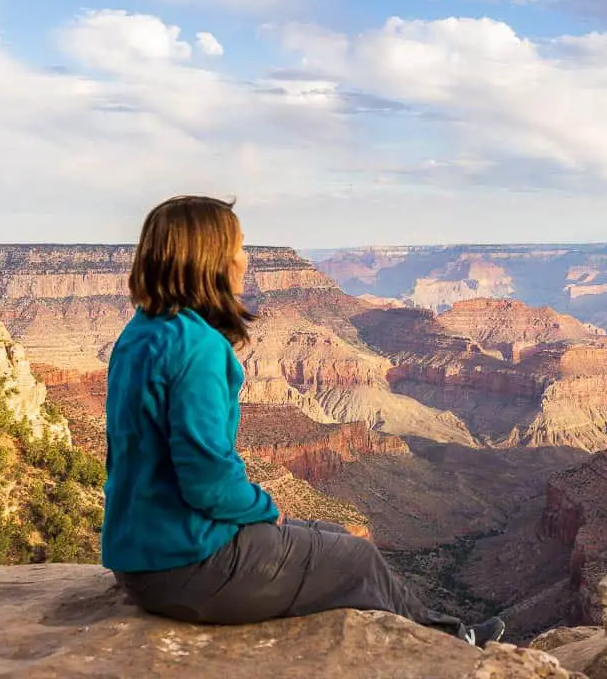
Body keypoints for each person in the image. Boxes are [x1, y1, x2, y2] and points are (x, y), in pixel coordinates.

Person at [101, 195, 505, 646]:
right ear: (209, 260)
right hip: (186, 564)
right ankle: (450, 644)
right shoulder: (197, 347)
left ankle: (441, 630)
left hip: (140, 553)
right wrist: (264, 510)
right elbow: (207, 479)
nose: (244, 258)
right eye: (236, 246)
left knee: (329, 534)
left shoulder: (142, 331)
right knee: (357, 558)